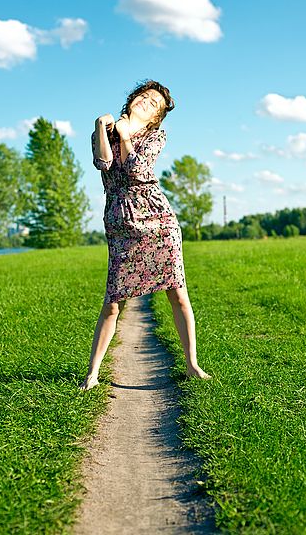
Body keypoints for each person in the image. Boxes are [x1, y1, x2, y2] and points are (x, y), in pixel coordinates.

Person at [79, 79, 212, 390]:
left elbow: (139, 171)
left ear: (156, 117)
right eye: (145, 96)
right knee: (114, 301)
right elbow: (103, 163)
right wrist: (104, 126)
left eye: (155, 104)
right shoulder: (105, 129)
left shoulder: (156, 135)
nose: (147, 103)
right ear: (133, 98)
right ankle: (92, 374)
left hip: (157, 218)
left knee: (178, 293)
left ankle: (192, 364)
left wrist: (126, 138)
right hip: (121, 220)